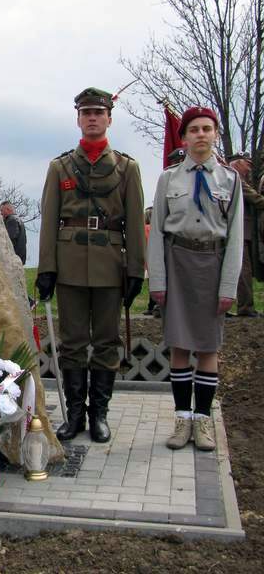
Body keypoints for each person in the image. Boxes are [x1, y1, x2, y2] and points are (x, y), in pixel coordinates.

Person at [35, 87, 145, 443]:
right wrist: (47, 268)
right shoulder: (60, 167)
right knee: (72, 342)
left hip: (110, 264)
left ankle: (100, 414)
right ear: (78, 119)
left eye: (99, 112)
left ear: (109, 118)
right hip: (68, 265)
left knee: (108, 341)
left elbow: (133, 221)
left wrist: (135, 270)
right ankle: (76, 416)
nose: (93, 118)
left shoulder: (127, 168)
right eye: (86, 113)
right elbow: (49, 219)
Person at [148, 107, 243, 451]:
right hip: (177, 262)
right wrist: (157, 280)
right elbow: (157, 231)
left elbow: (234, 237)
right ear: (184, 137)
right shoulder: (169, 179)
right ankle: (181, 420)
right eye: (194, 130)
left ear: (215, 134)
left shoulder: (230, 180)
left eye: (207, 129)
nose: (201, 134)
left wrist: (229, 286)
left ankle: (202, 420)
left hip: (212, 264)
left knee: (207, 346)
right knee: (179, 344)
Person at [228, 153, 264, 316]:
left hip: (242, 231)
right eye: (247, 163)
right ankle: (245, 308)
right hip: (239, 231)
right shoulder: (236, 179)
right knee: (244, 270)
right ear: (237, 163)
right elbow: (256, 200)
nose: (250, 167)